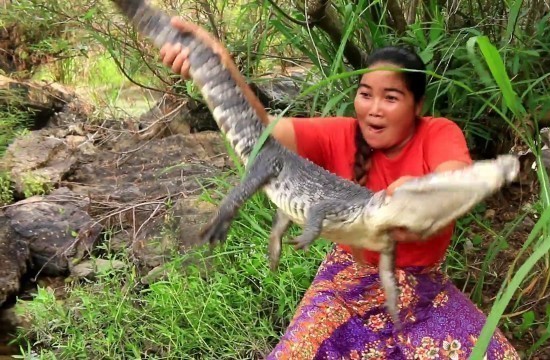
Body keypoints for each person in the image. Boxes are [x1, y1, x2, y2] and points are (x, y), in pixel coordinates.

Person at [159, 18, 520, 360]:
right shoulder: (340, 133)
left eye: (391, 98)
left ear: (417, 106)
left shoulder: (438, 132)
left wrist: (416, 190)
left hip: (424, 289)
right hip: (348, 277)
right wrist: (223, 68)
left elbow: (454, 173)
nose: (374, 109)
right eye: (366, 94)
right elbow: (263, 132)